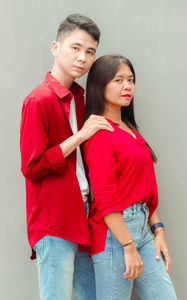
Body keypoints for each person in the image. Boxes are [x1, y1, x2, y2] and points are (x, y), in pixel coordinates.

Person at [20, 14, 114, 300]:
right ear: (55, 47)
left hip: (83, 216)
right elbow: (31, 166)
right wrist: (80, 135)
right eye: (75, 48)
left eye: (90, 52)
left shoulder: (80, 98)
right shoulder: (38, 100)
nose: (83, 58)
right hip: (54, 220)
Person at [83, 54, 177, 300]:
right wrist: (128, 246)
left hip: (142, 229)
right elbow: (105, 198)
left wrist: (159, 230)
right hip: (115, 235)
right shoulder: (100, 134)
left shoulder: (129, 129)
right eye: (118, 80)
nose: (127, 86)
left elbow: (143, 186)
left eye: (131, 80)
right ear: (99, 85)